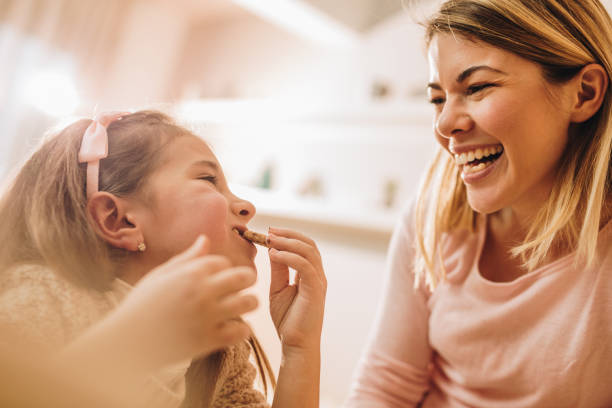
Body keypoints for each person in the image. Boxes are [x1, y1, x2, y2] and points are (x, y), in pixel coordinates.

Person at [345, 0, 612, 407]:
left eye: (477, 88)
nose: (444, 124)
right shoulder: (430, 215)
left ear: (584, 93)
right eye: (438, 98)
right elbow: (385, 385)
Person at [0, 110, 327, 408]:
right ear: (120, 221)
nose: (246, 206)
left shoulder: (220, 345)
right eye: (208, 180)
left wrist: (298, 348)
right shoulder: (43, 298)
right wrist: (135, 343)